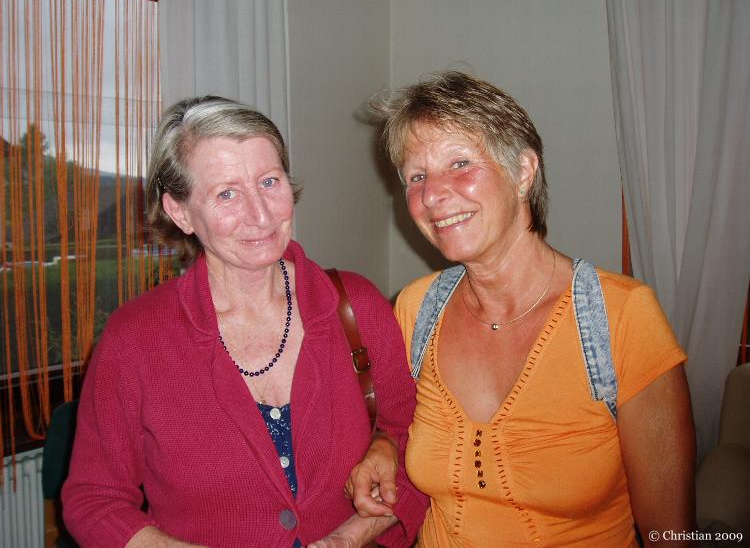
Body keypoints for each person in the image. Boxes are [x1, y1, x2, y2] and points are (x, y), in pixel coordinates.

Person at [62, 95, 428, 548]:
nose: (260, 214)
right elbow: (94, 499)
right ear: (180, 212)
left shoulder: (356, 305)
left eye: (269, 182)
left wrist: (348, 535)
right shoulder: (134, 339)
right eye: (227, 193)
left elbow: (417, 439)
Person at [348, 72, 695, 547]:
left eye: (460, 163)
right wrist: (384, 445)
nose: (432, 195)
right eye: (417, 176)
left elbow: (671, 535)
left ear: (523, 172)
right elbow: (399, 427)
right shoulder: (415, 308)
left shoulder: (622, 317)